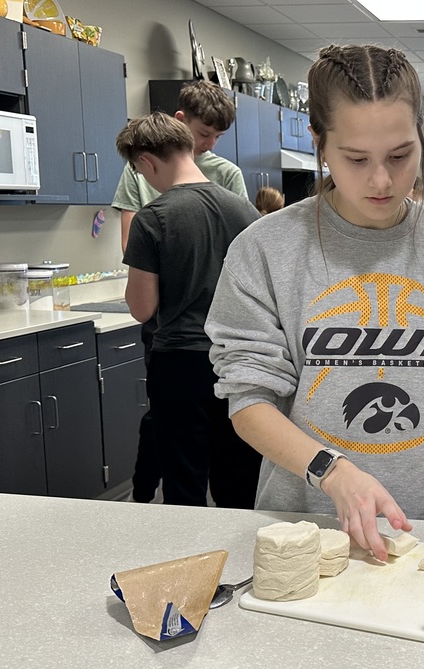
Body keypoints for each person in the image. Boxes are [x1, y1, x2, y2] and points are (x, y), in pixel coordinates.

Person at [205, 44, 424, 562]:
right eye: (356, 159)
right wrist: (331, 470)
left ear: (421, 136)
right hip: (307, 526)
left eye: (401, 156)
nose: (382, 180)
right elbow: (249, 403)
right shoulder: (265, 249)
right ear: (319, 143)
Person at [113, 80, 250, 504]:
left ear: (148, 162)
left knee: (184, 480)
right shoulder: (244, 209)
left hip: (180, 364)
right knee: (238, 474)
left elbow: (142, 308)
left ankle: (190, 567)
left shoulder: (152, 219)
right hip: (236, 361)